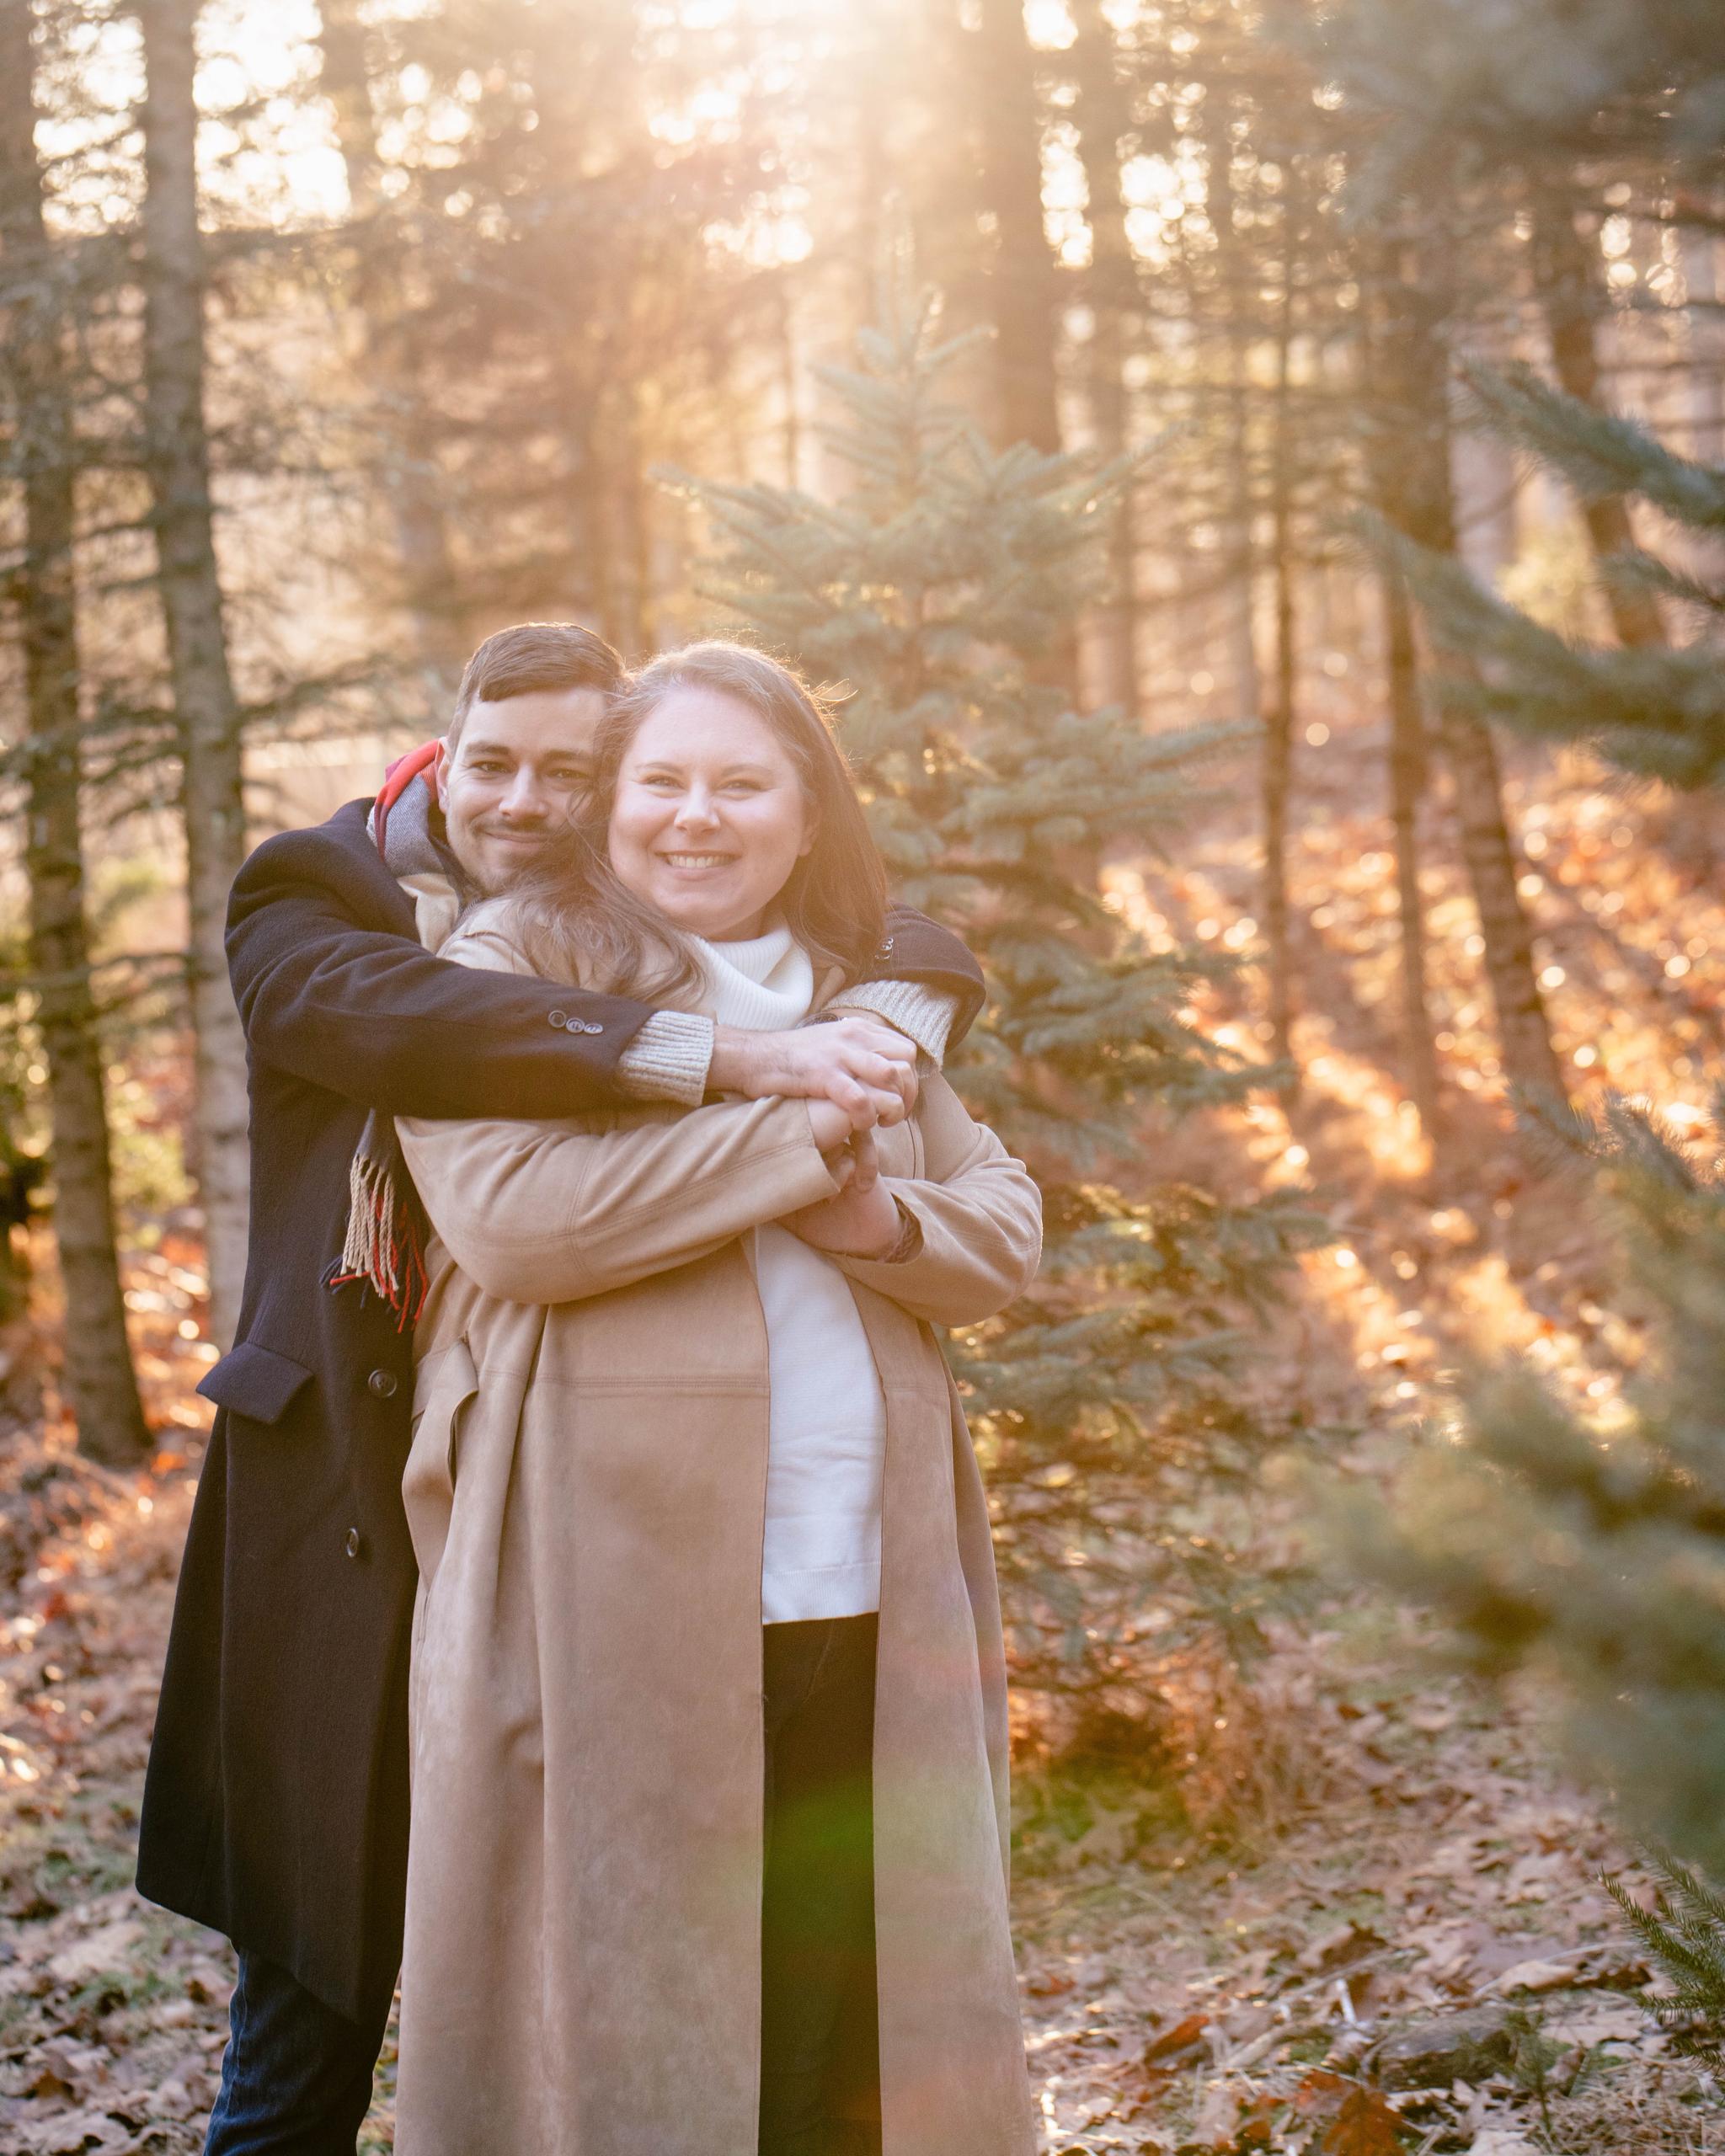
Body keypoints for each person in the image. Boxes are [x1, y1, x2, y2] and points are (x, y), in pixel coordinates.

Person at [136, 622, 986, 2156]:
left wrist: (897, 1019)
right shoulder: (328, 899)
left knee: (705, 1953)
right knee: (317, 2012)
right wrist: (748, 1068)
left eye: (570, 771)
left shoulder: (702, 898)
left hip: (569, 1487)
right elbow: (425, 1035)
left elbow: (899, 928)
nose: (529, 802)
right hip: (358, 1483)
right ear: (440, 751)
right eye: (496, 764)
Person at [392, 642, 1042, 2156]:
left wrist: (886, 1228)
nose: (697, 818)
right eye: (661, 782)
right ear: (606, 804)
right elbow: (514, 1218)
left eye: (742, 785)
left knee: (846, 1997)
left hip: (863, 1573)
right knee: (636, 1999)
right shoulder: (508, 977)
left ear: (808, 817)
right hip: (600, 1579)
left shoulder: (855, 993)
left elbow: (1001, 1223)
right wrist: (799, 1132)